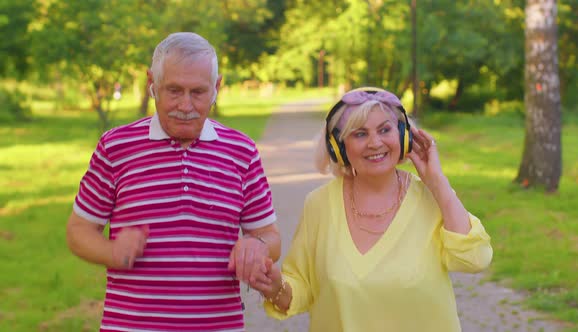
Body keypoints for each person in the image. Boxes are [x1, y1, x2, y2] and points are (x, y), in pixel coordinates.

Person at [66, 32, 281, 332]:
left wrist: (257, 247)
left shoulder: (241, 151)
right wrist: (112, 252)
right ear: (152, 83)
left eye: (198, 92)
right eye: (174, 90)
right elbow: (78, 231)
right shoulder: (115, 147)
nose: (185, 105)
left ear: (217, 87)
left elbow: (270, 236)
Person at [250, 87, 493, 331]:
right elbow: (302, 287)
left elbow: (475, 259)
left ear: (404, 136)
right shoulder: (319, 205)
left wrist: (437, 181)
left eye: (385, 130)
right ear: (339, 146)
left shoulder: (432, 198)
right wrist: (275, 287)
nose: (375, 143)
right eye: (359, 134)